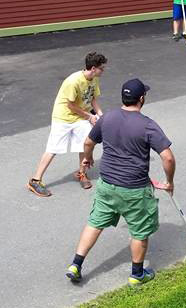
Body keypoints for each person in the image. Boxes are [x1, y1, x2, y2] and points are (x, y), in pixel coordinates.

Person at [65, 78, 174, 286]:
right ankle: (137, 274)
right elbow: (167, 157)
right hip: (134, 189)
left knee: (95, 223)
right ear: (141, 99)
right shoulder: (147, 125)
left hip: (107, 185)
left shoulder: (107, 118)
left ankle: (75, 264)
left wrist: (87, 158)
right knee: (140, 231)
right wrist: (169, 182)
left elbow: (88, 142)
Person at [28, 52, 107, 197]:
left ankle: (81, 174)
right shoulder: (73, 81)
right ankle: (35, 180)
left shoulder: (94, 79)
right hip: (63, 117)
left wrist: (101, 116)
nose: (104, 70)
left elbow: (93, 99)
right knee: (53, 148)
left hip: (80, 117)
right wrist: (89, 116)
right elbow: (70, 105)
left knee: (85, 143)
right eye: (102, 68)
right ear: (94, 68)